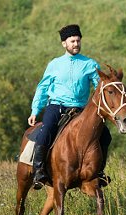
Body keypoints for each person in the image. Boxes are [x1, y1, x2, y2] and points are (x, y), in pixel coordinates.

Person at [28, 24, 111, 190]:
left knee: (106, 135)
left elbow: (100, 88)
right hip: (57, 106)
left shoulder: (90, 64)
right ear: (64, 44)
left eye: (78, 41)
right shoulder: (55, 64)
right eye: (72, 41)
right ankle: (39, 170)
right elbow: (43, 88)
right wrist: (35, 110)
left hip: (80, 110)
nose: (76, 44)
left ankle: (99, 172)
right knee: (47, 130)